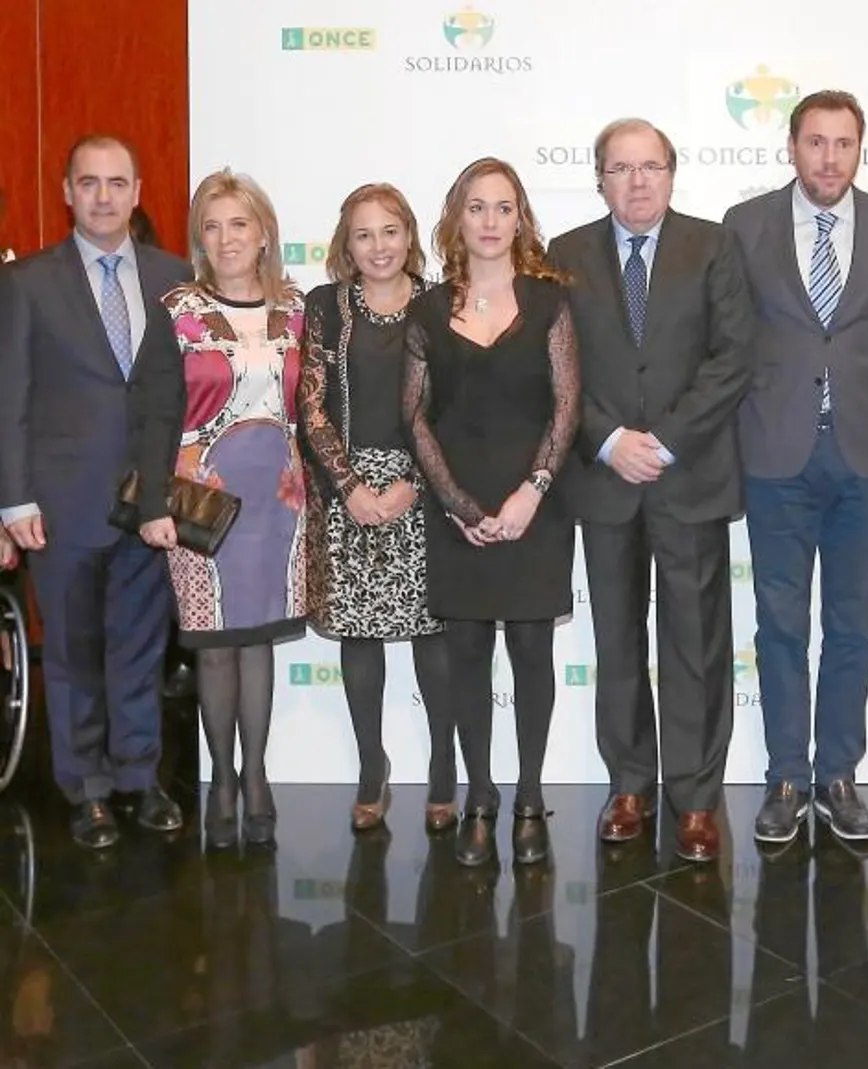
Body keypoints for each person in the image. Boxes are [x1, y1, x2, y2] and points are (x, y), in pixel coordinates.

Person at [549, 118, 755, 863]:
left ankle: (696, 800)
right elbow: (559, 366)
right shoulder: (564, 255)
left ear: (673, 173)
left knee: (698, 647)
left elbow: (733, 357)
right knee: (618, 641)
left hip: (687, 475)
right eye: (620, 168)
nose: (637, 182)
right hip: (605, 480)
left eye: (650, 167)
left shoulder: (713, 245)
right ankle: (629, 785)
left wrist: (663, 440)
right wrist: (609, 440)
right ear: (599, 177)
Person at [724, 90, 868, 848]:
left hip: (866, 458)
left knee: (851, 626)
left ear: (860, 148)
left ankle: (838, 774)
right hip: (776, 455)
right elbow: (734, 344)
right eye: (816, 142)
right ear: (792, 146)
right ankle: (785, 775)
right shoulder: (746, 227)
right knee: (778, 625)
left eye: (843, 143)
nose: (829, 158)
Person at [0, 135, 191, 848]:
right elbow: (10, 394)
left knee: (140, 646)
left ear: (138, 191)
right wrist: (13, 499)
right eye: (90, 183)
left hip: (150, 504)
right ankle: (87, 789)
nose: (104, 196)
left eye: (117, 183)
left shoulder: (176, 277)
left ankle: (140, 777)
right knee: (76, 650)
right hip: (62, 502)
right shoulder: (28, 284)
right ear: (66, 191)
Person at [404, 157, 579, 869]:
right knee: (467, 658)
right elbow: (414, 417)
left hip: (535, 508)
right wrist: (455, 503)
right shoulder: (425, 310)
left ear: (520, 218)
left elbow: (569, 405)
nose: (489, 221)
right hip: (457, 512)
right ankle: (480, 798)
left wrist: (532, 488)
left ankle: (531, 797)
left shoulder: (549, 302)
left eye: (502, 208)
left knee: (533, 654)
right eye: (476, 207)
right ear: (456, 218)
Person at [133, 167, 309, 849]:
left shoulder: (295, 310)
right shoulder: (177, 309)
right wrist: (152, 503)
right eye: (212, 225)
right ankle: (223, 782)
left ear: (263, 232)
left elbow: (314, 408)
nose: (226, 237)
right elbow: (152, 413)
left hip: (280, 502)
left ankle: (257, 775)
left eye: (239, 223)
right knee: (214, 649)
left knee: (257, 638)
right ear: (199, 238)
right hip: (198, 502)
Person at [297, 183, 458, 834]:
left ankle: (444, 772)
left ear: (409, 235)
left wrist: (414, 484)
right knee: (360, 637)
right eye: (363, 234)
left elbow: (455, 406)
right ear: (346, 244)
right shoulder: (325, 308)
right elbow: (309, 405)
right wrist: (352, 488)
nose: (378, 246)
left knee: (433, 639)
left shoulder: (441, 306)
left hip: (423, 490)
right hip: (349, 492)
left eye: (389, 231)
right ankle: (372, 769)